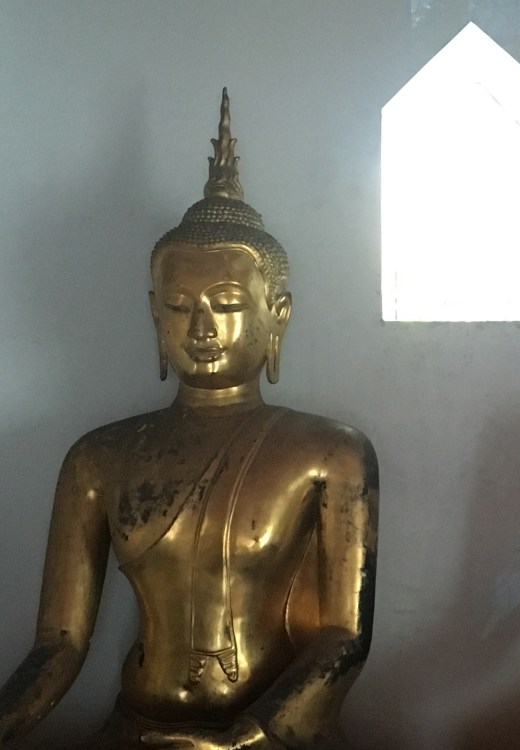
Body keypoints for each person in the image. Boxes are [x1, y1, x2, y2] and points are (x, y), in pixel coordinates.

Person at [0, 90, 377, 750]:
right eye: (179, 306)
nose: (201, 327)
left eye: (226, 304)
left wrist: (246, 739)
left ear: (277, 315)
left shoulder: (329, 453)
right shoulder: (99, 458)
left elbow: (343, 639)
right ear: (156, 316)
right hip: (139, 730)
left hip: (266, 738)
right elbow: (58, 644)